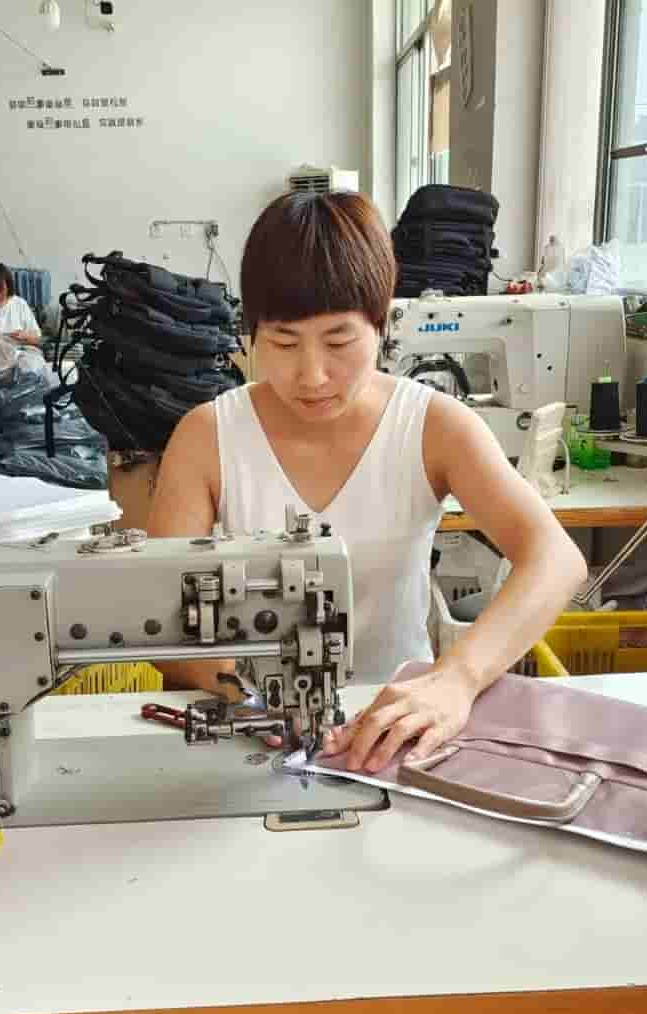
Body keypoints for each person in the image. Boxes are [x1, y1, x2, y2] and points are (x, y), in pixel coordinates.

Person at [147, 191, 587, 775]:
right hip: (249, 730)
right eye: (282, 343)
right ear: (250, 334)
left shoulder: (432, 425)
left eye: (338, 341)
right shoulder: (207, 438)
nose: (312, 375)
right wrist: (244, 691)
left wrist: (457, 678)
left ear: (380, 325)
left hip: (400, 724)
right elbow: (161, 621)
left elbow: (555, 557)